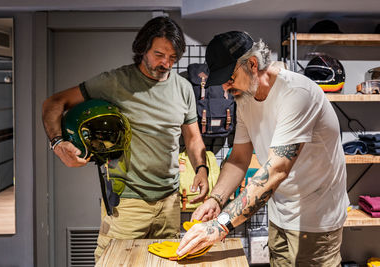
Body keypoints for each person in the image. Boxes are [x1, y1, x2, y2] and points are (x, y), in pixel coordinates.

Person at [42, 16, 209, 261]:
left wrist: (202, 169)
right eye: (159, 54)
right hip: (127, 203)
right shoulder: (115, 82)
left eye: (173, 58)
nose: (166, 63)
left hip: (170, 203)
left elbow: (193, 138)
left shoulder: (183, 88)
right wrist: (58, 144)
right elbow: (54, 103)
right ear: (142, 48)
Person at [177, 31, 349, 266]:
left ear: (252, 63)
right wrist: (216, 200)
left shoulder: (298, 95)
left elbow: (277, 169)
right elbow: (238, 159)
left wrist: (220, 224)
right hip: (280, 215)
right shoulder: (245, 99)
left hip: (317, 220)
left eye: (230, 78)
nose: (226, 88)